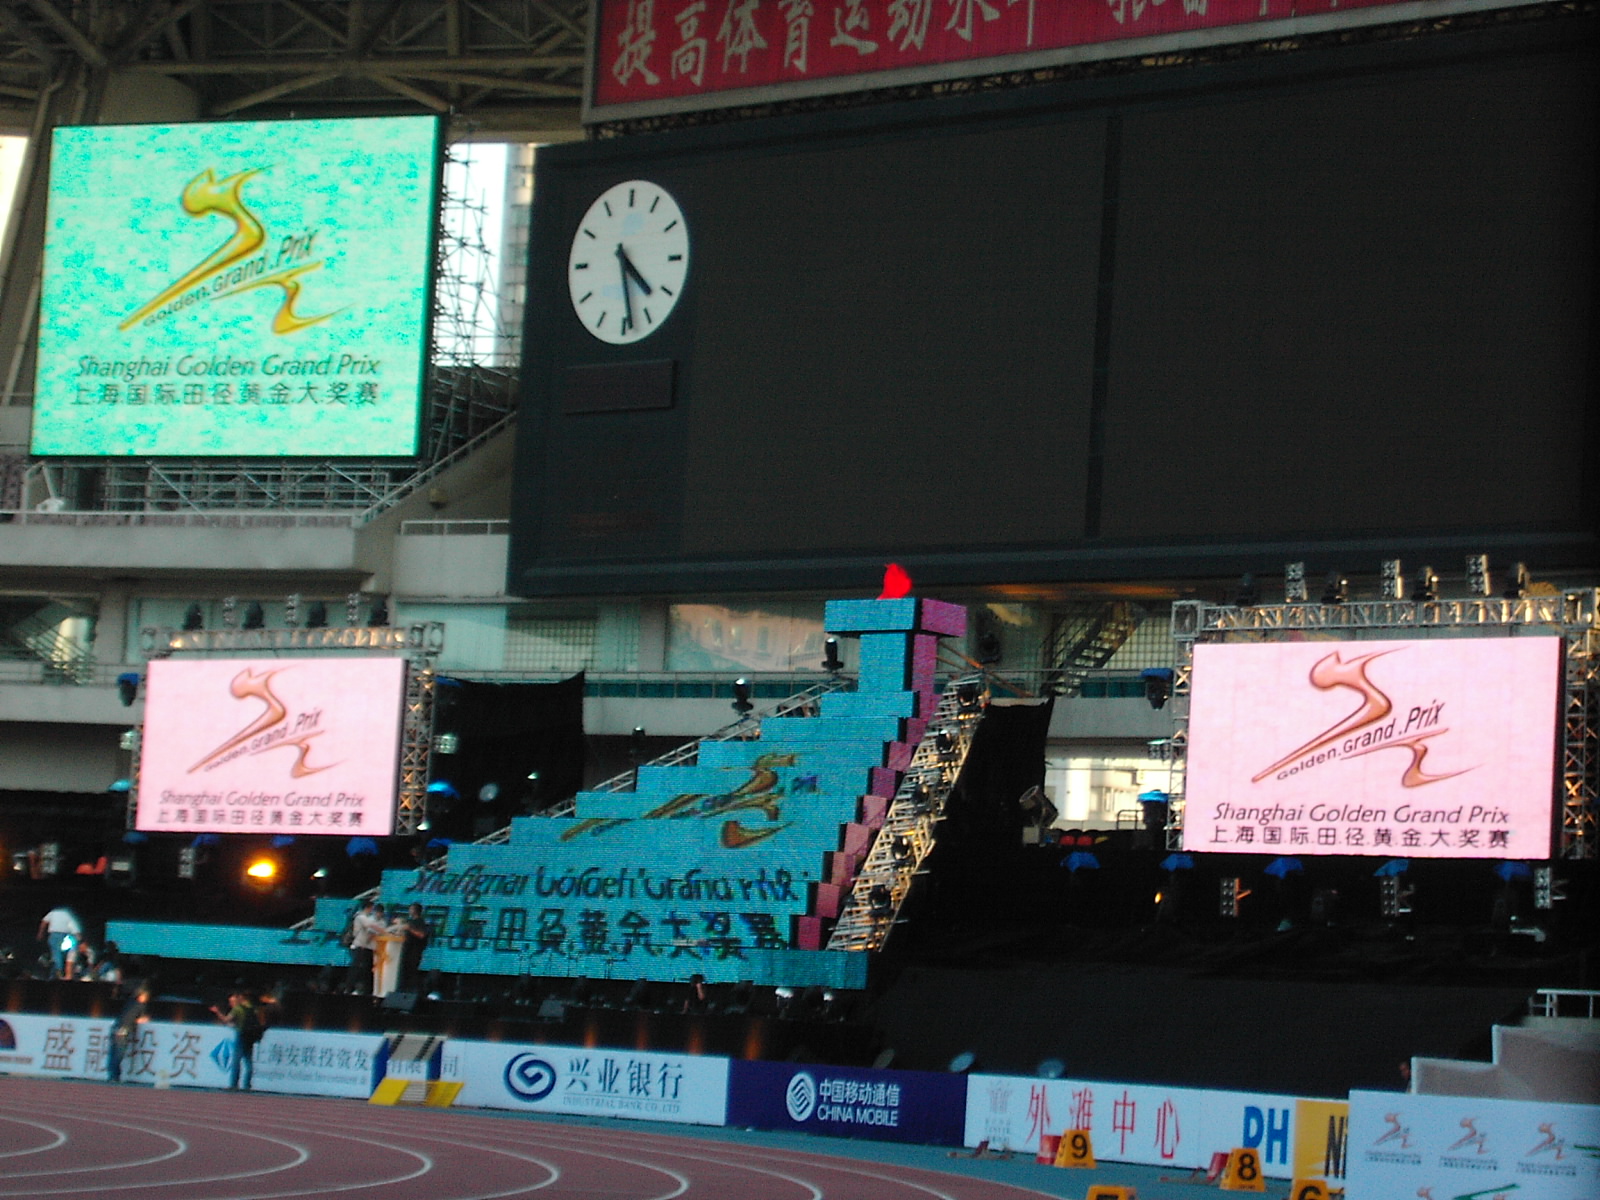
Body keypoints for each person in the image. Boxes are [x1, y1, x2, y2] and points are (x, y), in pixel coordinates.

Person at [211, 990, 262, 1090]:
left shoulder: (238, 1009)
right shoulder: (253, 1008)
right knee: (248, 1061)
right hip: (250, 1036)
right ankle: (247, 1085)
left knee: (236, 1061)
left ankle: (234, 1084)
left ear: (240, 997)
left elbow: (226, 1020)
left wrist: (217, 1012)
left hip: (241, 1035)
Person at [109, 985, 151, 1083]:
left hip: (115, 1028)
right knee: (119, 1054)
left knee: (113, 1053)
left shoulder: (130, 1003)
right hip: (123, 1031)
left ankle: (112, 1075)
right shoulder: (140, 1005)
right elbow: (139, 1019)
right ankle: (115, 1076)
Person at [343, 900, 387, 994]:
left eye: (380, 912)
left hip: (371, 949)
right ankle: (350, 988)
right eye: (377, 911)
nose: (378, 914)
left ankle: (364, 989)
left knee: (367, 969)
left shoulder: (382, 923)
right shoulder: (368, 919)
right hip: (362, 946)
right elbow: (370, 932)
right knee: (357, 967)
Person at [37, 905, 82, 978]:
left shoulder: (53, 912)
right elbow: (74, 927)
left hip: (55, 935)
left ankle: (58, 971)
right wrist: (78, 938)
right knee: (58, 955)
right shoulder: (67, 914)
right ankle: (57, 972)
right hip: (65, 936)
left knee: (56, 954)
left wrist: (40, 933)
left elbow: (44, 922)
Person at [393, 903, 430, 993]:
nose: (409, 911)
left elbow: (421, 935)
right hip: (406, 950)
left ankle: (412, 991)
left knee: (412, 972)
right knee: (404, 971)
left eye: (411, 909)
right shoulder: (410, 921)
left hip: (415, 951)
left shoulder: (420, 922)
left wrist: (410, 929)